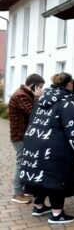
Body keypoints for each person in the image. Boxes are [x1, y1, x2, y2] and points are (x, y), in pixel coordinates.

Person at [20, 73, 74, 224]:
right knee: (56, 177)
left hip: (34, 141)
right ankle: (57, 214)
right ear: (69, 84)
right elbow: (73, 128)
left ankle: (39, 206)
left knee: (39, 175)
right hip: (56, 146)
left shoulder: (42, 98)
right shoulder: (68, 101)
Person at [8, 73, 45, 204]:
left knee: (24, 162)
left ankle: (24, 190)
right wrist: (37, 97)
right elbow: (33, 114)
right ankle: (17, 193)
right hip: (19, 137)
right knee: (21, 163)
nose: (41, 89)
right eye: (39, 87)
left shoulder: (24, 94)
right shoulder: (20, 96)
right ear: (33, 85)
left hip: (23, 136)